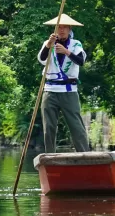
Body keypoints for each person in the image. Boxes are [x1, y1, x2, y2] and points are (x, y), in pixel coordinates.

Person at [38, 13, 90, 154]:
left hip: (69, 90)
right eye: (59, 27)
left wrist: (66, 52)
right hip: (50, 90)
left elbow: (81, 61)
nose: (61, 30)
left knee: (76, 125)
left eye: (65, 27)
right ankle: (50, 155)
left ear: (69, 29)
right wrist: (49, 45)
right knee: (49, 127)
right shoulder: (48, 43)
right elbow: (42, 59)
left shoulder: (75, 44)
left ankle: (84, 154)